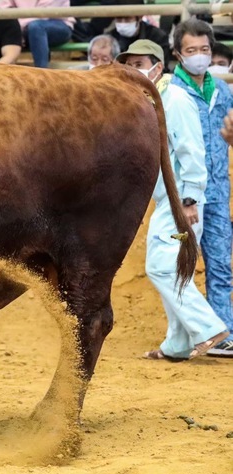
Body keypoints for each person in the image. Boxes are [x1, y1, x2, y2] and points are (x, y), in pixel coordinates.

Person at [115, 40, 230, 360]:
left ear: (158, 66)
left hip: (181, 200)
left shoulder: (174, 98)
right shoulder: (151, 100)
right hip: (171, 198)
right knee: (175, 269)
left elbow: (192, 151)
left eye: (139, 64)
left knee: (161, 268)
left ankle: (209, 328)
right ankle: (177, 345)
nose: (132, 71)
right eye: (128, 64)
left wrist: (190, 198)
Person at [171, 19, 233, 357]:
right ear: (178, 54)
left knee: (221, 262)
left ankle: (223, 331)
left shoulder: (223, 91)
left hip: (219, 191)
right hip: (183, 194)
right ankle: (186, 335)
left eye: (205, 50)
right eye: (191, 50)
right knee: (179, 263)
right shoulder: (172, 92)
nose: (199, 56)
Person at [0, 0, 74, 69]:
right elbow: (2, 7)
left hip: (58, 24)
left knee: (36, 27)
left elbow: (43, 13)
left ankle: (41, 72)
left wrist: (17, 27)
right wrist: (16, 28)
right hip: (23, 26)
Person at [109, 0, 171, 70]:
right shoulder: (110, 38)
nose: (123, 23)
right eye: (119, 18)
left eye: (127, 18)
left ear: (140, 17)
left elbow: (163, 68)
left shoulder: (158, 37)